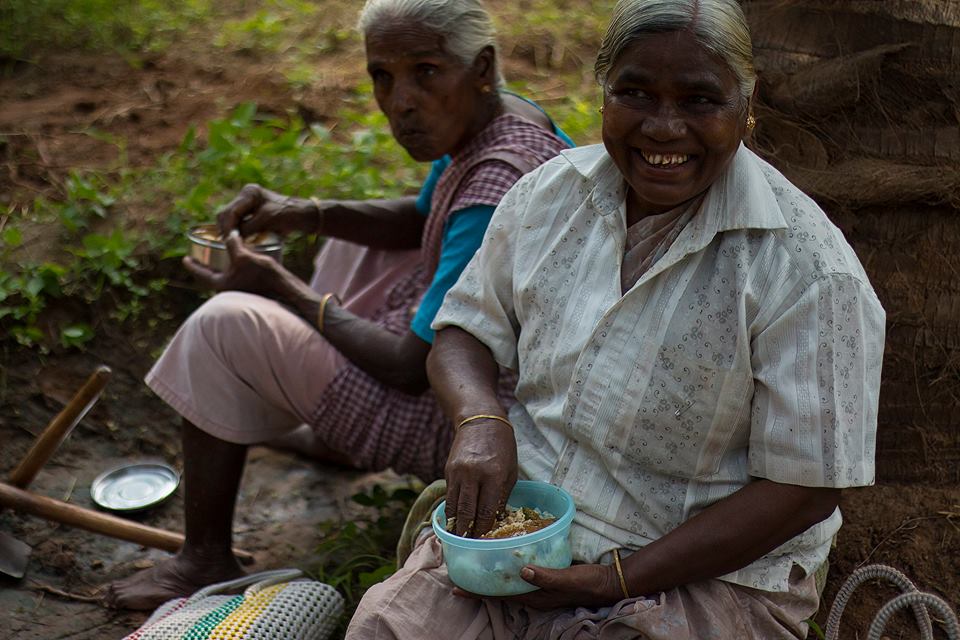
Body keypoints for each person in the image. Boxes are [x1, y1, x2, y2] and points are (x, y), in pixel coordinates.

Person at [345, 0, 886, 638]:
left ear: (746, 103)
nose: (662, 128)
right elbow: (463, 329)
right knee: (385, 626)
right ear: (602, 96)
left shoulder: (807, 271)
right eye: (634, 93)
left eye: (699, 101)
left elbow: (805, 488)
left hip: (701, 582)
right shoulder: (548, 197)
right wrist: (482, 422)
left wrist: (616, 580)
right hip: (514, 543)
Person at [105, 0, 571, 610]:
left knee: (219, 327)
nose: (401, 100)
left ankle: (202, 559)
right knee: (349, 247)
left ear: (481, 67)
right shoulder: (507, 119)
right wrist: (304, 211)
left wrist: (277, 287)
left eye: (425, 71)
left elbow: (410, 367)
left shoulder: (496, 181)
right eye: (383, 75)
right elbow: (421, 217)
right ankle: (331, 436)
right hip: (472, 376)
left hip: (470, 421)